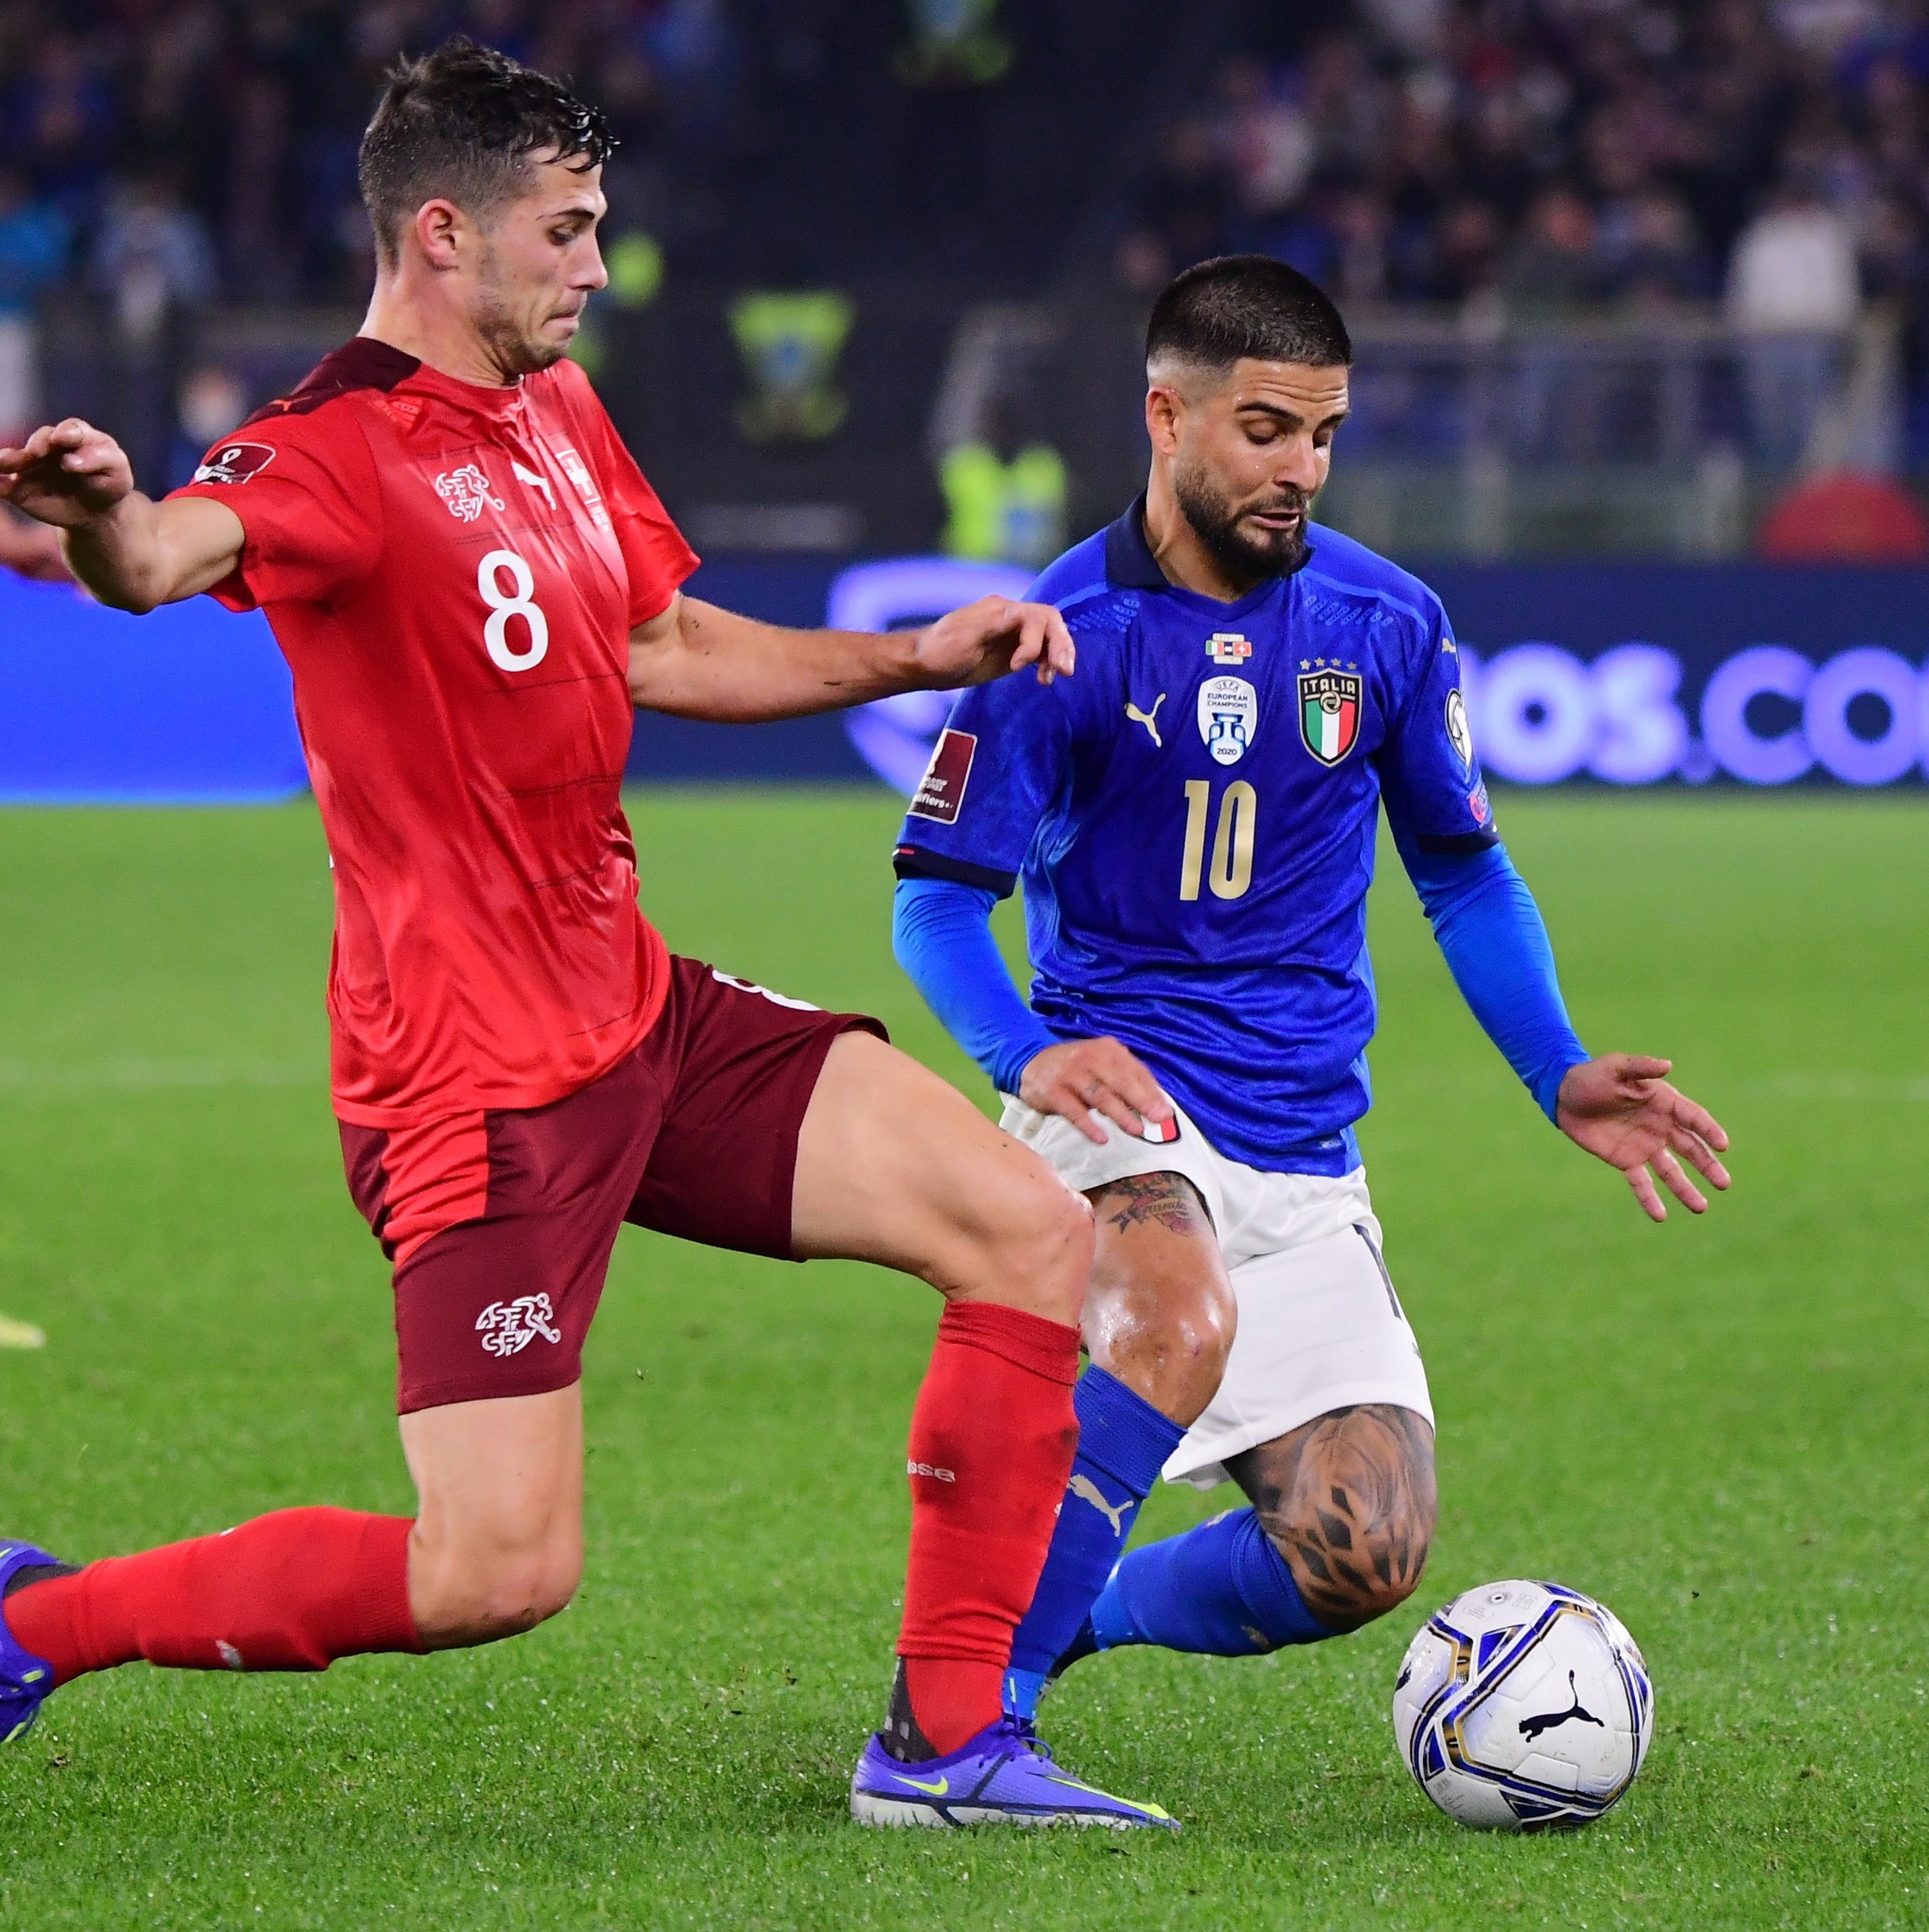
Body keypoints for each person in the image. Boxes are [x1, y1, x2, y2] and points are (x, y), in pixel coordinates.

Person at [0, 39, 1175, 1832]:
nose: (597, 269)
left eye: (601, 225)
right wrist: (99, 523)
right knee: (494, 1570)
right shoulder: (331, 446)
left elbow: (663, 643)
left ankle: (945, 1749)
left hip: (639, 1012)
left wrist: (916, 654)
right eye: (568, 231)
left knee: (1024, 1231)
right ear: (447, 234)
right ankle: (33, 1623)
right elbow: (167, 554)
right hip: (470, 1086)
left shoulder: (553, 408)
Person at [890, 254, 1732, 1739]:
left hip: (1301, 1149)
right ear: (1167, 417)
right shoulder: (1064, 633)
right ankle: (960, 1727)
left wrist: (1558, 1070)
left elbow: (1465, 876)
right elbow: (936, 902)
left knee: (1362, 1546)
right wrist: (1026, 1051)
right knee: (1169, 1307)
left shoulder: (1386, 621)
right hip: (1121, 1117)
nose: (1302, 472)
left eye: (1325, 435)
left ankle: (1057, 1614)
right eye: (1267, 431)